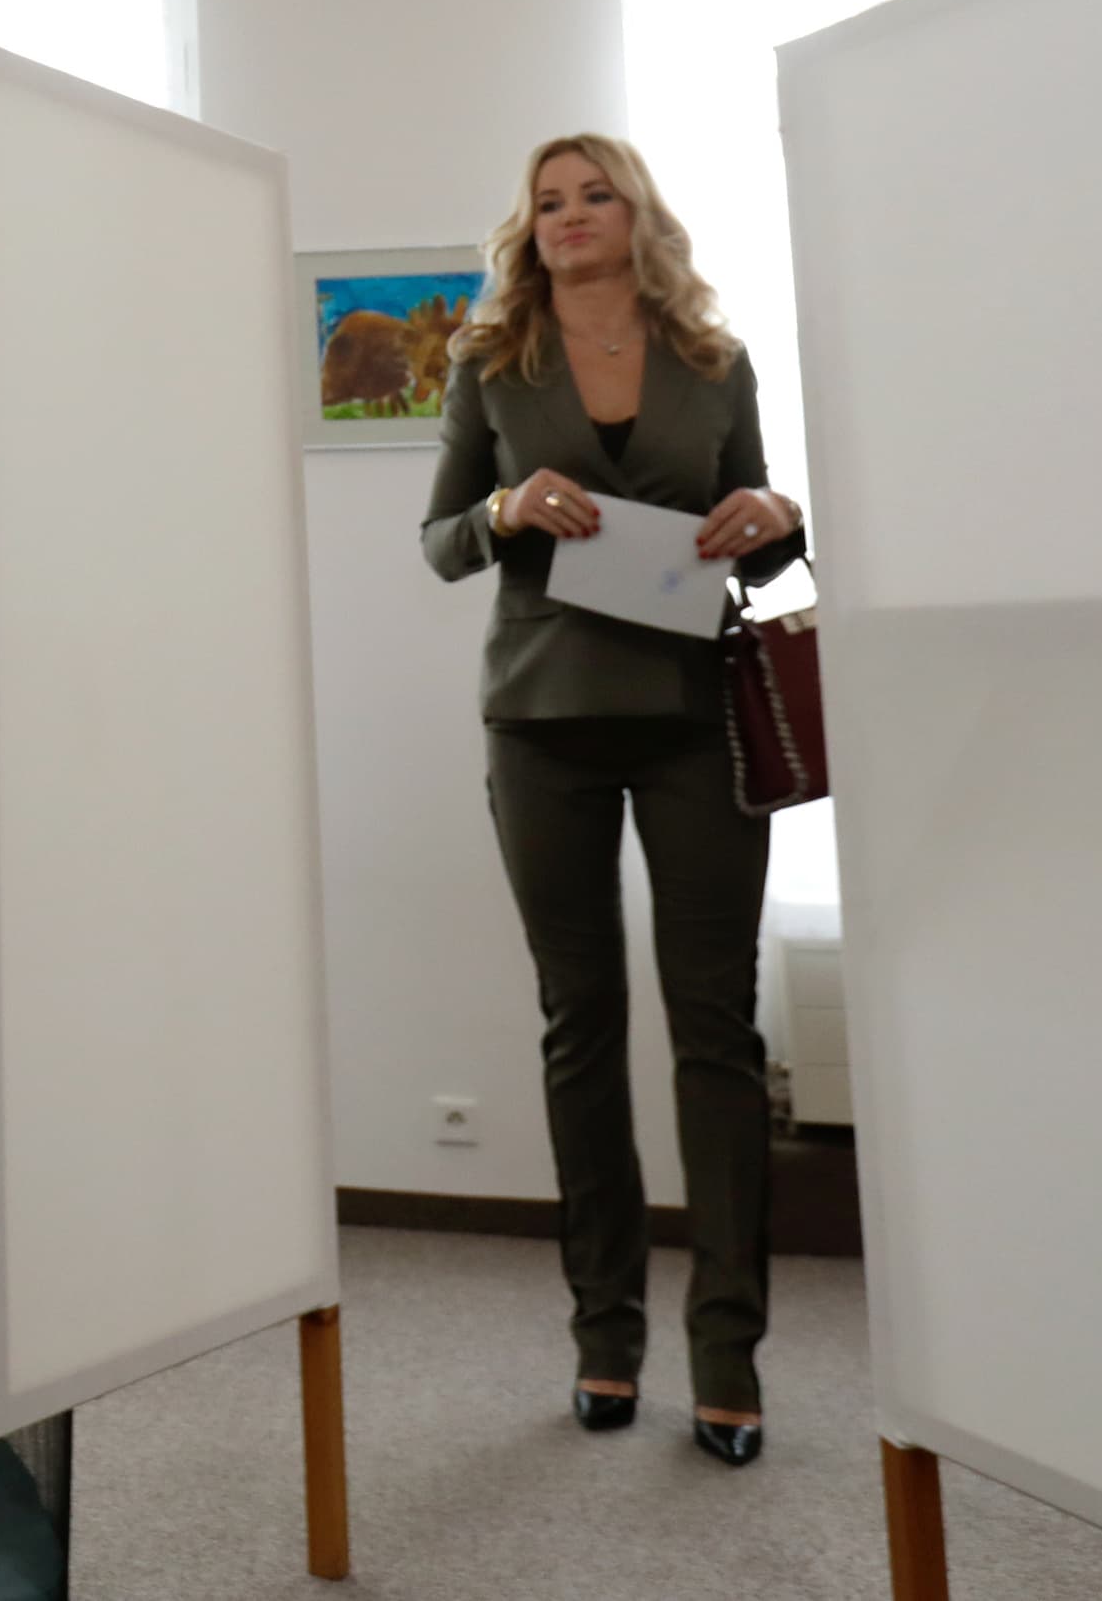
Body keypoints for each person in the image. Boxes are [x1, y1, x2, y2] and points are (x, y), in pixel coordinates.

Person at [420, 132, 804, 1468]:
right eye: (548, 198)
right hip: (540, 725)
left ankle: (726, 1354)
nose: (572, 214)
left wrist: (773, 507)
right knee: (578, 1026)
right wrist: (507, 508)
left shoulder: (713, 359)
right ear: (524, 227)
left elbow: (763, 516)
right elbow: (437, 540)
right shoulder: (489, 364)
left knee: (716, 1031)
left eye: (597, 194)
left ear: (639, 215)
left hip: (698, 720)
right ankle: (603, 1337)